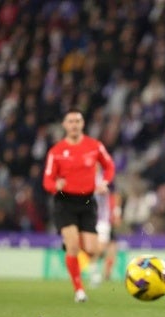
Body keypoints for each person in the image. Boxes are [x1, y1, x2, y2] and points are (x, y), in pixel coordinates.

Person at [43, 108, 115, 303]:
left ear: (82, 124)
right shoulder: (56, 152)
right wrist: (54, 186)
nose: (74, 125)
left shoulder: (94, 146)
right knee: (73, 246)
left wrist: (105, 183)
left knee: (92, 249)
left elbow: (109, 166)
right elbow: (47, 180)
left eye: (77, 121)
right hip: (65, 202)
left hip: (87, 202)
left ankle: (75, 245)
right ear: (64, 125)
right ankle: (79, 291)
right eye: (70, 121)